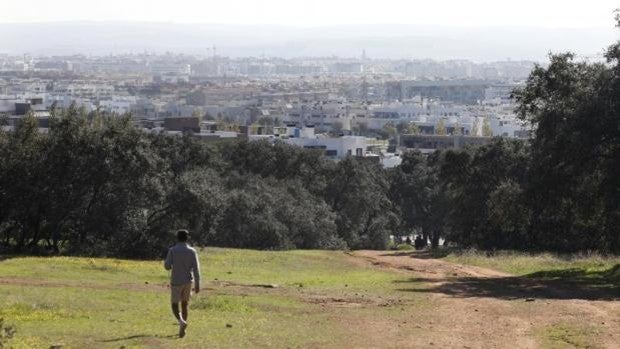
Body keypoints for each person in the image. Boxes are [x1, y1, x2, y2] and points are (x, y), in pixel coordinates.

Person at [164, 229, 201, 338]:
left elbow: (167, 266)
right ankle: (182, 329)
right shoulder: (192, 251)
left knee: (174, 305)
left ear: (177, 238)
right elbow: (196, 269)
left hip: (176, 281)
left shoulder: (172, 250)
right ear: (187, 238)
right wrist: (197, 284)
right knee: (185, 304)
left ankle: (181, 322)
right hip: (188, 281)